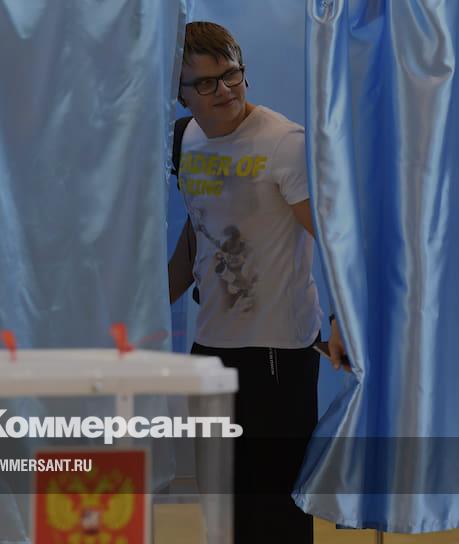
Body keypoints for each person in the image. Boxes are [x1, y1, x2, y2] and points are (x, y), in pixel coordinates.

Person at [167, 21, 348, 544]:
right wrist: (148, 311)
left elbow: (335, 239)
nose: (225, 90)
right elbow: (197, 232)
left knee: (275, 513)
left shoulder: (283, 143)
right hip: (210, 348)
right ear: (180, 94)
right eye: (206, 83)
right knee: (222, 509)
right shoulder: (184, 140)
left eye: (232, 75)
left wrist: (343, 318)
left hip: (276, 354)